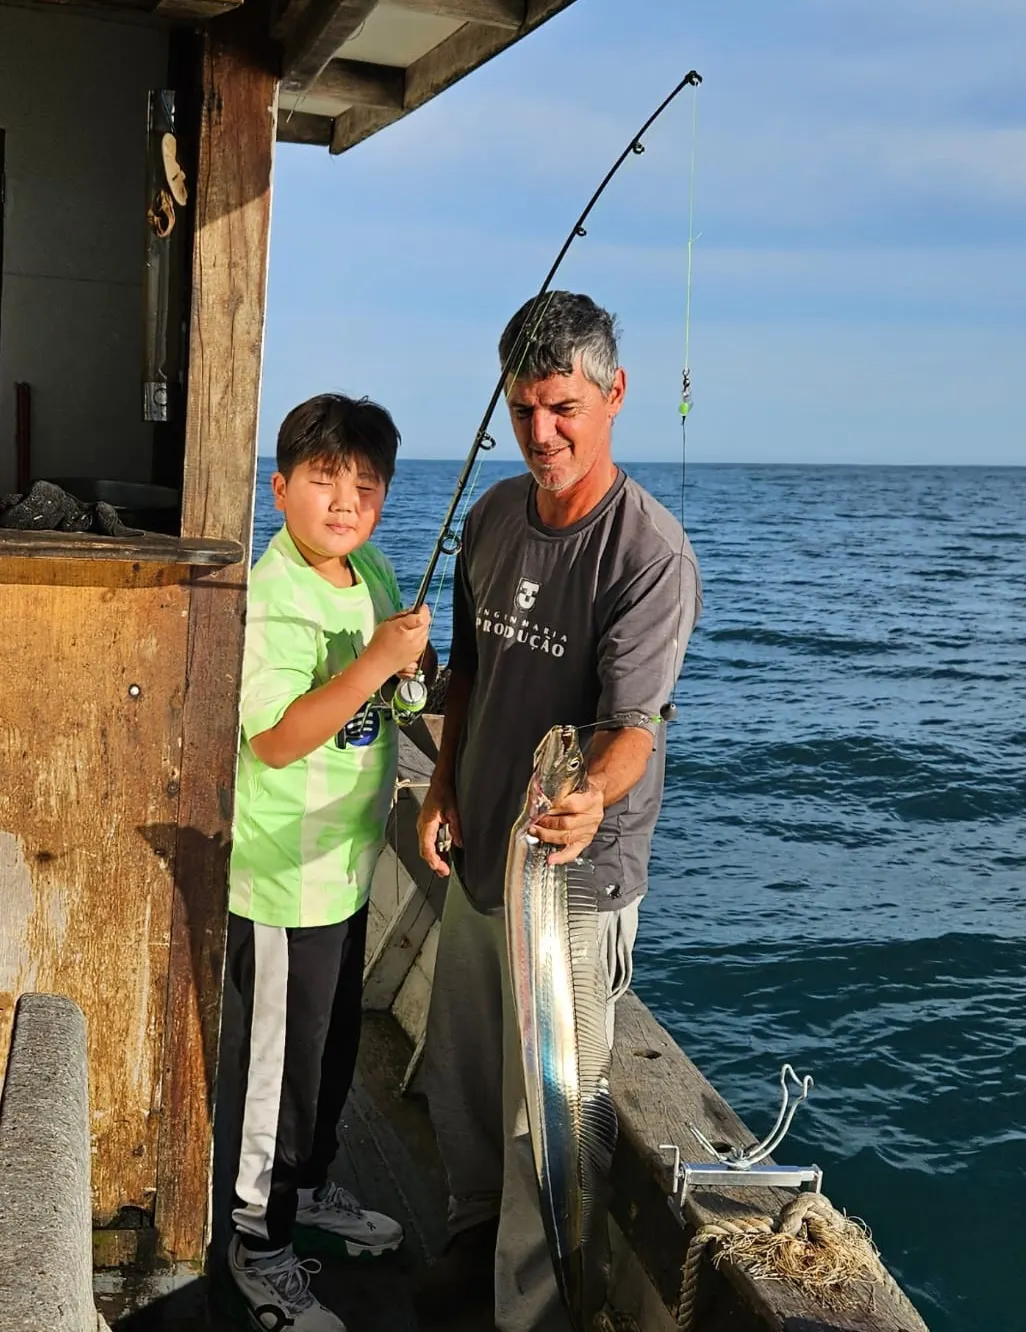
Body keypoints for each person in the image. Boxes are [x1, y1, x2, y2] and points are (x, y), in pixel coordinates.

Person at [414, 291, 702, 1332]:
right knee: (463, 1074)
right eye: (526, 408)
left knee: (550, 1114)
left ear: (614, 394)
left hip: (574, 885)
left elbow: (636, 727)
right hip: (482, 853)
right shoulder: (491, 519)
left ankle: (529, 1313)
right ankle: (465, 1233)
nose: (543, 432)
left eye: (565, 407)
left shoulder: (648, 553)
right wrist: (442, 788)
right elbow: (472, 677)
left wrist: (591, 801)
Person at [225, 393, 432, 1332]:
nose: (346, 500)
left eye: (366, 482)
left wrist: (410, 671)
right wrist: (371, 667)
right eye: (323, 479)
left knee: (333, 1050)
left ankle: (306, 1186)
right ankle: (256, 1244)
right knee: (279, 1067)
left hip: (346, 870)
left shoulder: (375, 572)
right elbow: (271, 738)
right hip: (279, 879)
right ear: (279, 490)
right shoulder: (271, 593)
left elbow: (386, 700)